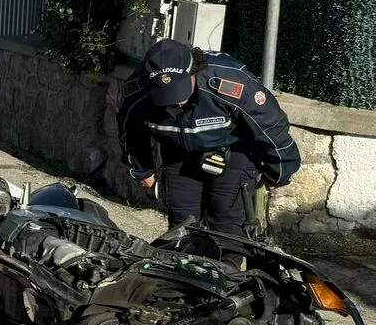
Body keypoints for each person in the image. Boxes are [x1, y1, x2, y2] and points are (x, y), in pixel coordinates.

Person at [116, 39, 300, 237]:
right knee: (183, 226)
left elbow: (270, 125)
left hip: (235, 149)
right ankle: (184, 265)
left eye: (181, 89)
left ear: (193, 70)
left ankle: (227, 266)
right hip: (178, 153)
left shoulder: (229, 81)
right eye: (167, 94)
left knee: (226, 221)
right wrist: (143, 171)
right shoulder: (136, 93)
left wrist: (279, 171)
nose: (178, 101)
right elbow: (130, 134)